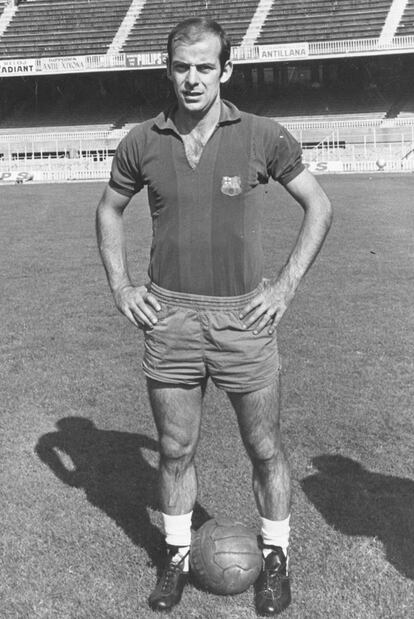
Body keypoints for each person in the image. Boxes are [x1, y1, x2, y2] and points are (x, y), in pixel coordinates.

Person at [96, 17, 332, 616]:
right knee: (175, 449)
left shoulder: (261, 135)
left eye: (205, 66)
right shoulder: (142, 140)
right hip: (169, 318)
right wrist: (122, 285)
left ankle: (275, 558)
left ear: (226, 70)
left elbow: (319, 206)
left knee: (265, 447)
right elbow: (108, 210)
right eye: (181, 67)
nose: (192, 78)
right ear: (168, 70)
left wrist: (283, 287)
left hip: (242, 320)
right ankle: (176, 555)